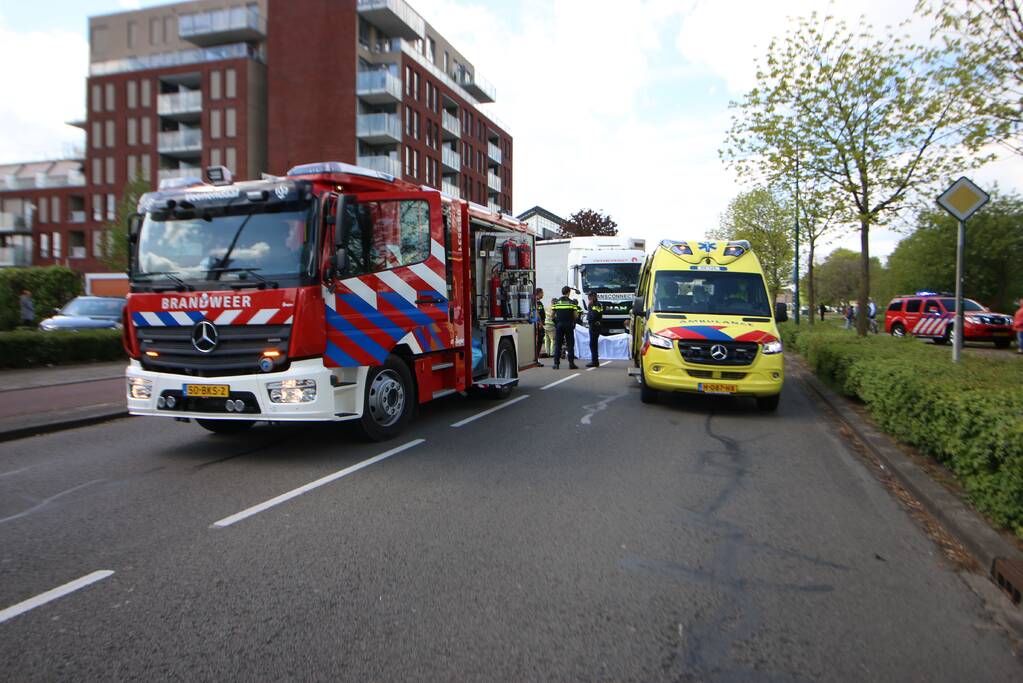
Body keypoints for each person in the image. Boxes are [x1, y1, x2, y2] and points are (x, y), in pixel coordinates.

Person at [551, 286, 580, 370]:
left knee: (558, 344)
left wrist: (556, 322)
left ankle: (556, 364)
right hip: (569, 325)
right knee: (570, 344)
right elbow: (575, 315)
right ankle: (571, 364)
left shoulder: (557, 302)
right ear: (569, 292)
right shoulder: (572, 303)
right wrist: (573, 321)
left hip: (559, 325)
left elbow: (552, 315)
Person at [585, 291, 604, 368]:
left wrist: (590, 306)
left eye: (589, 296)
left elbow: (594, 315)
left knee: (593, 344)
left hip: (594, 326)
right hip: (595, 325)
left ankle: (594, 362)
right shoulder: (599, 304)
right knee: (593, 344)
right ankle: (595, 361)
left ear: (593, 296)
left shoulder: (594, 304)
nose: (588, 298)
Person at [534, 288, 545, 366]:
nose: (543, 294)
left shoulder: (538, 302)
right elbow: (537, 313)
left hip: (539, 325)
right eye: (542, 293)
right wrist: (540, 323)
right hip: (538, 325)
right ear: (539, 293)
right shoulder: (536, 302)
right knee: (538, 343)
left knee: (539, 342)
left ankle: (536, 359)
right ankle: (536, 360)